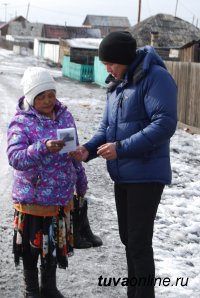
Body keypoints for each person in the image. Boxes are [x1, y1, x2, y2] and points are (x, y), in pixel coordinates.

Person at [70, 31, 177, 298]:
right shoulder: (117, 85)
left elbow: (164, 124)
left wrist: (122, 149)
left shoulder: (155, 78)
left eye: (111, 63)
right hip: (124, 176)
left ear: (125, 58)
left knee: (139, 244)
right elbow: (107, 129)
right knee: (130, 242)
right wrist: (88, 150)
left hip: (147, 174)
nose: (107, 68)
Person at [7, 66, 89, 298]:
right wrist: (42, 148)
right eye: (41, 96)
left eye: (51, 94)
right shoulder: (21, 122)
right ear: (31, 98)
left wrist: (80, 179)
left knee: (52, 246)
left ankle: (49, 289)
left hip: (59, 198)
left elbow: (73, 151)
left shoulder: (65, 116)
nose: (47, 100)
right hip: (33, 200)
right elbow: (15, 158)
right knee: (31, 249)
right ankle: (31, 290)